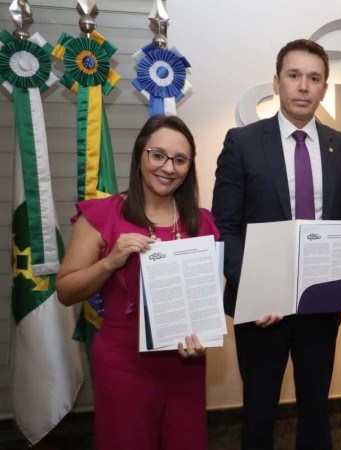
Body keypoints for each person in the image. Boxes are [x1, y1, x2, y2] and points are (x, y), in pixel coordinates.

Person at [211, 39, 341, 449]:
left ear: (323, 87)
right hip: (261, 311)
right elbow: (225, 227)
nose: (303, 86)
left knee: (316, 411)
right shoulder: (242, 143)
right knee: (259, 413)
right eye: (294, 75)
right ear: (277, 82)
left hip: (320, 304)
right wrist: (254, 291)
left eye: (314, 78)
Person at [56, 115, 219, 450]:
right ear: (140, 155)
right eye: (157, 155)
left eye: (179, 160)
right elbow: (66, 290)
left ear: (189, 166)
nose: (168, 168)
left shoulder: (202, 222)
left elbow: (211, 296)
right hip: (123, 365)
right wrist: (110, 263)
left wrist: (207, 333)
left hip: (185, 363)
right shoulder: (103, 215)